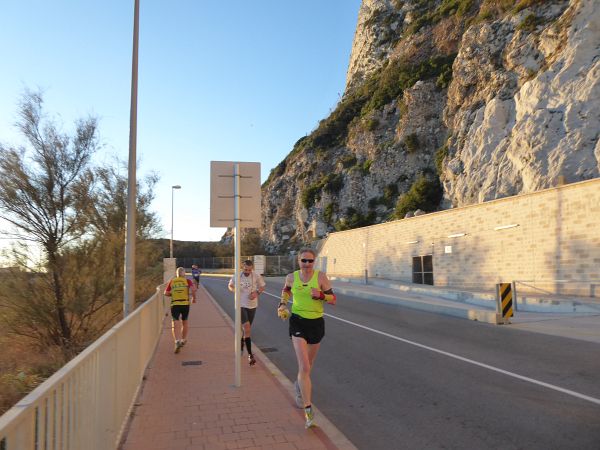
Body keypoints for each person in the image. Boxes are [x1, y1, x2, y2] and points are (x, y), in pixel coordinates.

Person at [277, 248, 336, 428]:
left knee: (308, 368)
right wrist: (282, 305)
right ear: (298, 261)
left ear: (314, 262)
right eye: (304, 261)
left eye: (310, 261)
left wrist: (321, 295)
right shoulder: (291, 277)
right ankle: (308, 410)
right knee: (303, 366)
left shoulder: (321, 277)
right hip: (297, 322)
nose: (307, 264)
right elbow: (286, 292)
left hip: (316, 323)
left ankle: (298, 385)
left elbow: (333, 299)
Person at [228, 260, 266, 366]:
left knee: (246, 330)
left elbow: (262, 286)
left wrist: (256, 292)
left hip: (252, 305)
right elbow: (230, 286)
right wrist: (234, 289)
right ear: (242, 267)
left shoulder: (256, 276)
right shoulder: (237, 275)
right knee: (247, 327)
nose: (247, 272)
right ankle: (250, 355)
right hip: (240, 305)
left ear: (252, 269)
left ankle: (241, 342)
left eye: (249, 270)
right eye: (245, 269)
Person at [164, 267, 197, 354]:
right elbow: (194, 289)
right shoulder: (187, 281)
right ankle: (183, 340)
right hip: (185, 304)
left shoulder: (172, 281)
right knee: (185, 321)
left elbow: (165, 293)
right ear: (184, 274)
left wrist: (173, 293)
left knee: (175, 322)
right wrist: (193, 298)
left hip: (175, 304)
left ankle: (177, 341)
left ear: (177, 274)